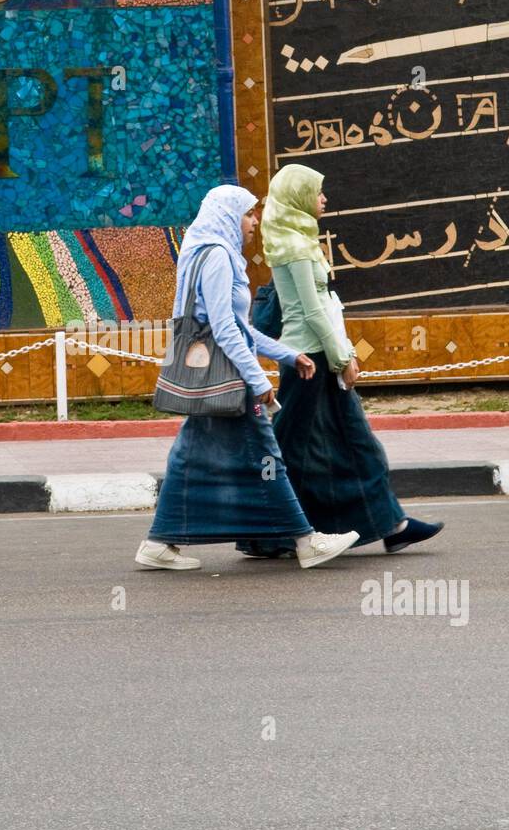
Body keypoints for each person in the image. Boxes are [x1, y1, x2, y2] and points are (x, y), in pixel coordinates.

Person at [136, 185, 360, 571]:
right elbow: (225, 329)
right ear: (228, 216)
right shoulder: (219, 257)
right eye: (247, 213)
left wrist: (287, 354)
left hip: (210, 380)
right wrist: (257, 380)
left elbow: (239, 329)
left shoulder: (200, 252)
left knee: (188, 459)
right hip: (227, 381)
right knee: (267, 457)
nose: (254, 221)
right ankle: (306, 540)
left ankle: (159, 542)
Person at [257, 163, 444, 555]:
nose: (324, 199)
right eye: (317, 192)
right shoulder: (296, 248)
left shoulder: (296, 242)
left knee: (356, 445)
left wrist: (341, 353)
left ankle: (392, 525)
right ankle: (269, 534)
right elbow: (311, 312)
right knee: (289, 451)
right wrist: (344, 357)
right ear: (298, 198)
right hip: (308, 362)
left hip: (319, 358)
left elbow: (326, 305)